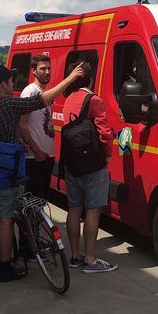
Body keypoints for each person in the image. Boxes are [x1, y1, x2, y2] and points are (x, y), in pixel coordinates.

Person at [0, 63, 83, 283]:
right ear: (3, 84)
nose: (14, 84)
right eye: (11, 81)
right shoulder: (10, 104)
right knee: (6, 220)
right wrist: (69, 79)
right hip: (7, 175)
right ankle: (6, 268)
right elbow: (42, 99)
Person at [62, 61, 117, 274]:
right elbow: (104, 132)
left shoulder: (69, 99)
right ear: (91, 78)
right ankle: (91, 260)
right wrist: (109, 155)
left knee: (74, 209)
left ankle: (75, 256)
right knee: (93, 211)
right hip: (92, 165)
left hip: (72, 164)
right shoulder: (93, 100)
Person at [19, 54, 55, 200]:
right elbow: (21, 125)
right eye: (42, 69)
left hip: (46, 155)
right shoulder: (30, 92)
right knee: (33, 201)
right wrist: (37, 150)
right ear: (33, 71)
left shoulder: (44, 92)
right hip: (34, 157)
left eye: (49, 68)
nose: (47, 72)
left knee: (41, 200)